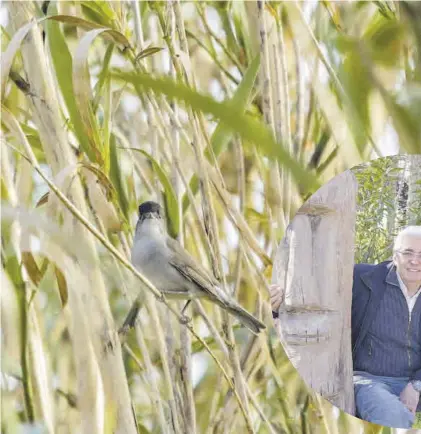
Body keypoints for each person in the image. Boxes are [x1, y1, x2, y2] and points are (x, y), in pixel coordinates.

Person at [270, 225, 421, 428]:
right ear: (395, 256)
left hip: (416, 381)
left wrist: (416, 384)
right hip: (369, 381)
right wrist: (277, 305)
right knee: (391, 413)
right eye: (408, 253)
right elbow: (315, 301)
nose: (415, 261)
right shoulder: (362, 279)